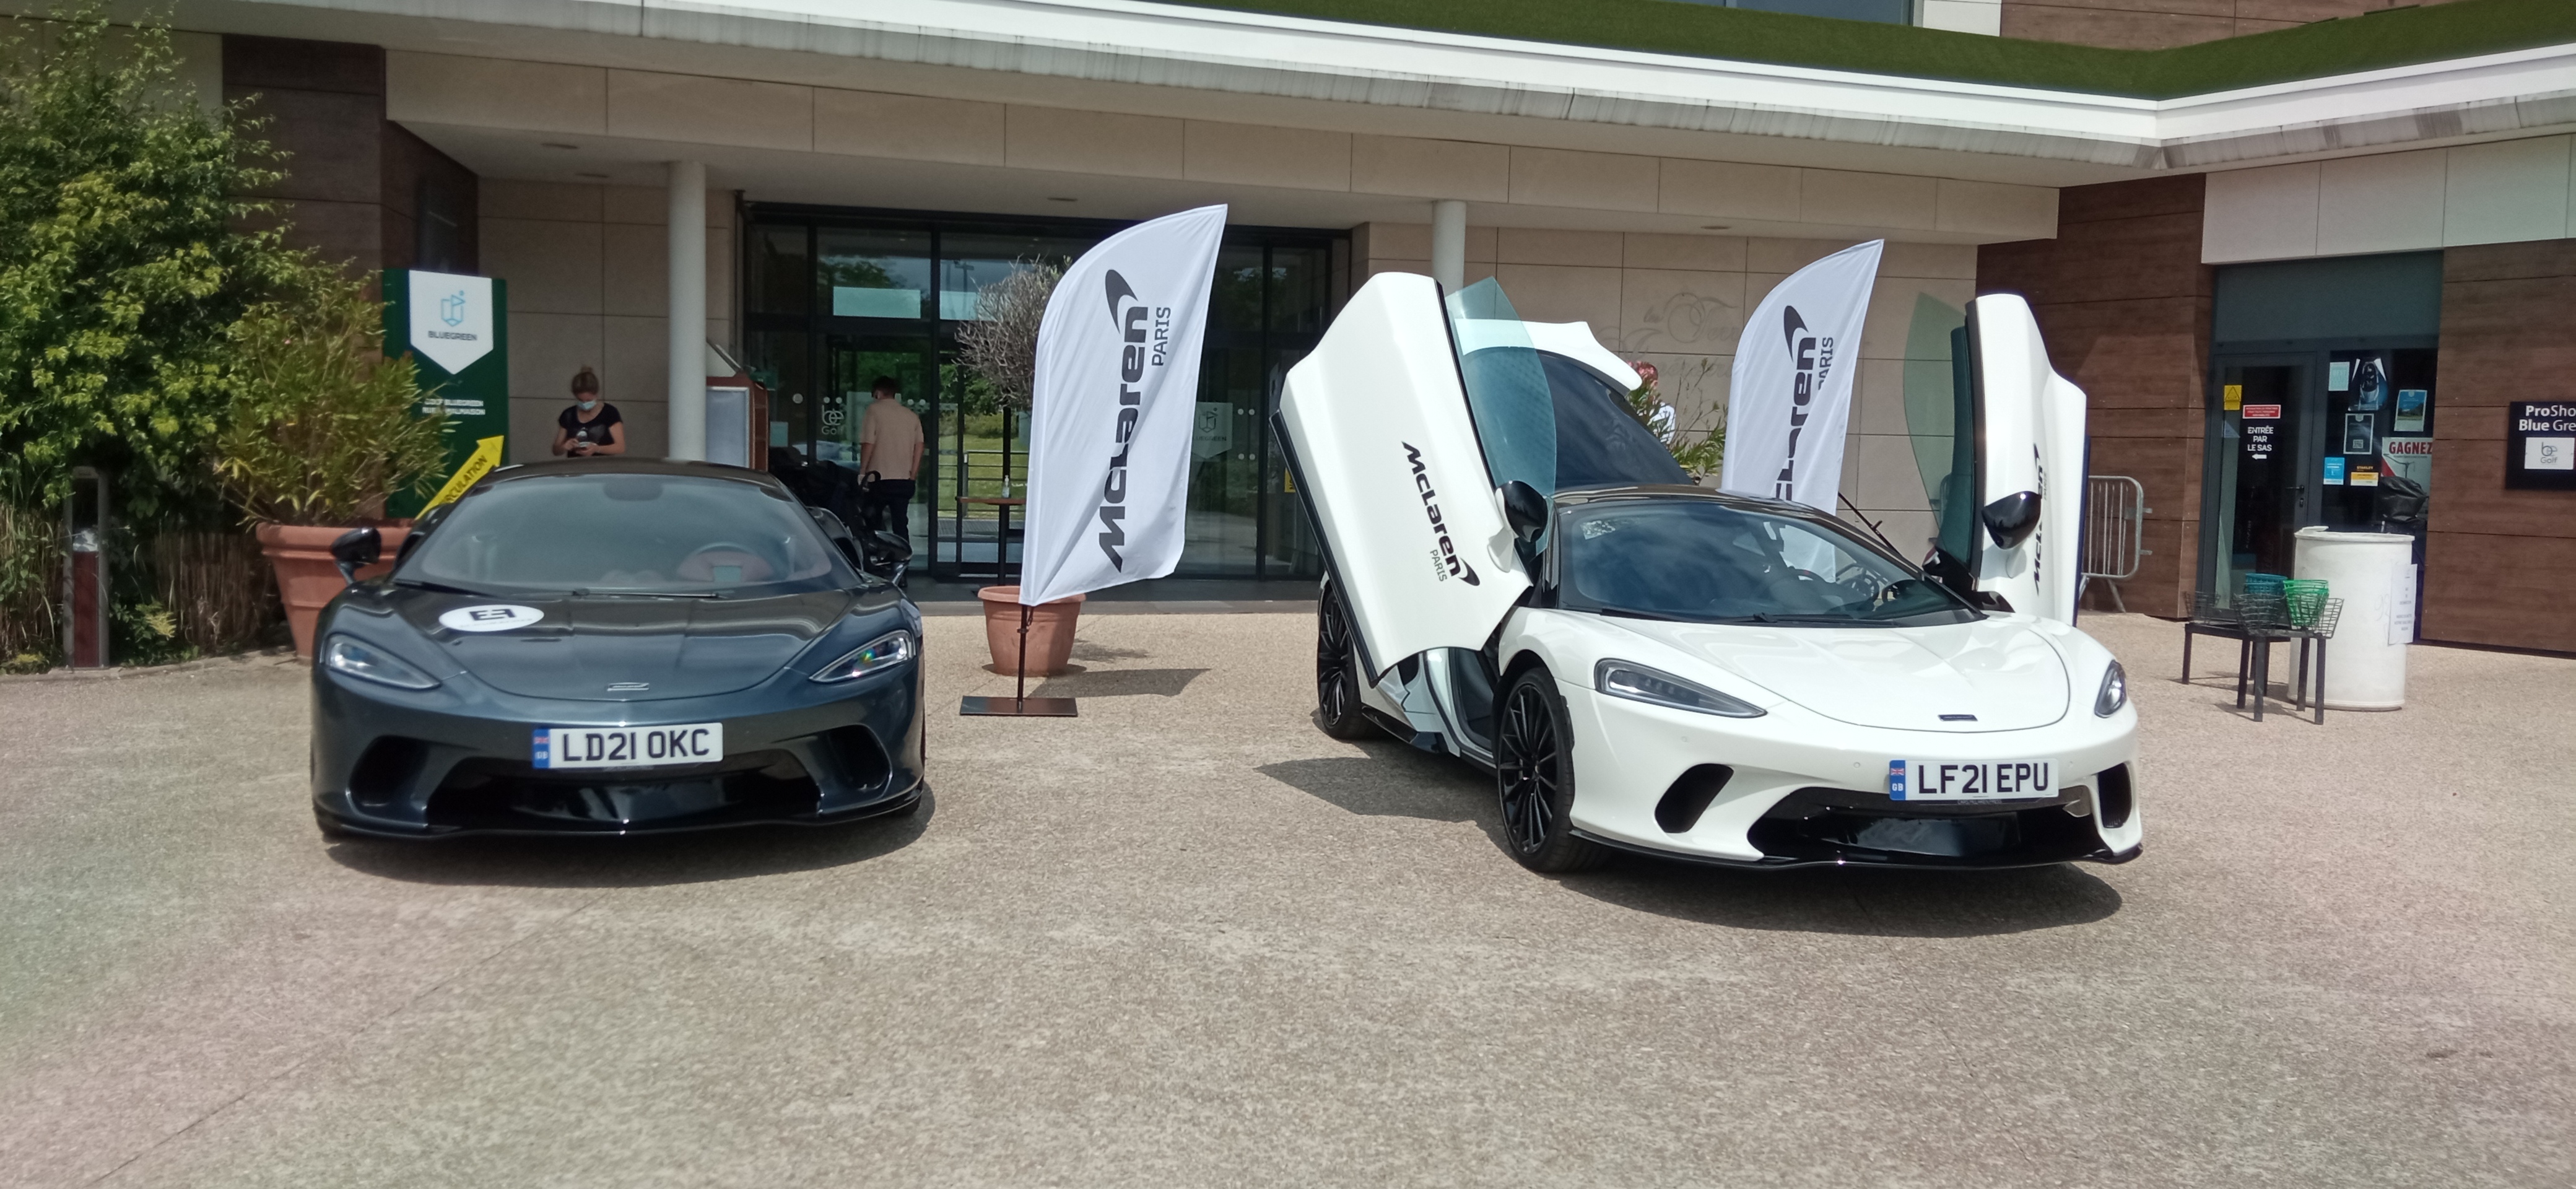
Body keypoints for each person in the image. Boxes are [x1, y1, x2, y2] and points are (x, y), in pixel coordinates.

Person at [856, 375, 924, 541]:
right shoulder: (911, 416)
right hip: (903, 480)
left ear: (878, 393)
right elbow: (919, 446)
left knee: (873, 522)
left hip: (878, 479)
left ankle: (877, 554)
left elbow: (868, 443)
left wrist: (863, 472)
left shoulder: (874, 410)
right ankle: (902, 554)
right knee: (900, 524)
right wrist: (913, 475)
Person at [551, 365, 626, 458]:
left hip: (602, 464)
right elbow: (556, 450)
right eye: (581, 400)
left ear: (596, 395)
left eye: (589, 400)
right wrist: (565, 446)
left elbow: (620, 447)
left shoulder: (610, 413)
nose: (585, 404)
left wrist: (597, 449)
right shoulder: (568, 415)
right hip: (576, 464)